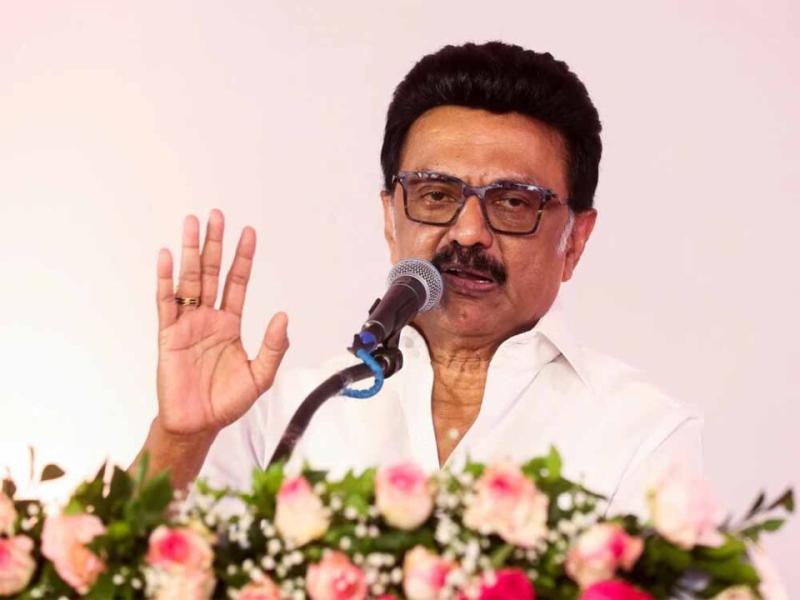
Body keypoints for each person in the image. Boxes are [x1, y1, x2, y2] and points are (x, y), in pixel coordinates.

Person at [132, 41, 701, 515]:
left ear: (574, 240)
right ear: (390, 218)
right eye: (436, 195)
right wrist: (179, 439)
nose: (469, 233)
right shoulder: (288, 413)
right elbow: (114, 578)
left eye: (512, 202)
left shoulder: (641, 433)